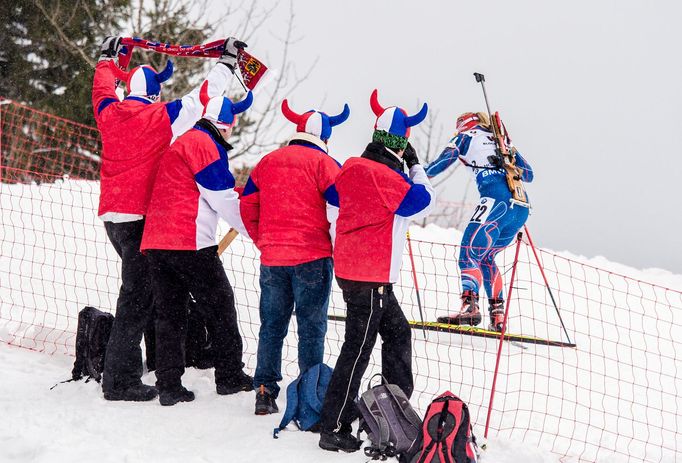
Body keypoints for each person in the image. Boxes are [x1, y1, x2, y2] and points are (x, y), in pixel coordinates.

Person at [92, 35, 246, 401]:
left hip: (112, 218)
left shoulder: (108, 112)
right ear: (154, 94)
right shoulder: (160, 116)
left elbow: (100, 88)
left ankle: (154, 366)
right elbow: (204, 95)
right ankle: (120, 380)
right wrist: (225, 64)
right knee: (137, 299)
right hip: (141, 220)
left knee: (149, 295)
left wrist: (106, 61)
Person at [318, 89, 434, 452]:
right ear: (402, 145)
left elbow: (334, 197)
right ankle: (333, 426)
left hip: (357, 270)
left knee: (398, 333)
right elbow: (423, 201)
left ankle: (393, 408)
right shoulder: (387, 177)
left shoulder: (353, 166)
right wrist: (415, 166)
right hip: (371, 276)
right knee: (358, 348)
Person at [140, 94, 255, 406]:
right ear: (227, 125)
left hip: (157, 240)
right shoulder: (206, 145)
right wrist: (255, 230)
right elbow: (221, 196)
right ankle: (230, 375)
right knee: (220, 305)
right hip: (188, 240)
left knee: (170, 314)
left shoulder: (184, 140)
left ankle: (168, 384)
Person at [239, 99, 350, 415]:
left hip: (273, 259)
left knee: (271, 325)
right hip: (312, 258)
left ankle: (264, 389)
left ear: (298, 130)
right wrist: (334, 248)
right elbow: (339, 212)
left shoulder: (268, 161)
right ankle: (308, 390)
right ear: (326, 138)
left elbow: (247, 205)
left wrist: (263, 239)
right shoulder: (327, 166)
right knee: (311, 327)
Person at [425, 112, 533, 331]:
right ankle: (498, 316)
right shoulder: (502, 140)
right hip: (520, 206)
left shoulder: (467, 135)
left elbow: (445, 160)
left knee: (469, 252)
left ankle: (470, 307)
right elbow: (529, 174)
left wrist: (416, 176)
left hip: (496, 200)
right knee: (486, 257)